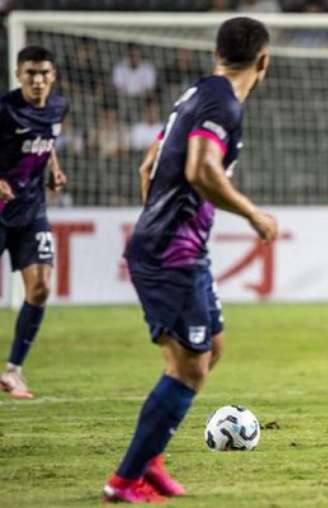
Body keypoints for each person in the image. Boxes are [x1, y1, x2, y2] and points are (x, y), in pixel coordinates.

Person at [102, 17, 278, 504]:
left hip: (178, 249)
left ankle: (150, 458)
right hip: (171, 252)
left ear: (216, 53)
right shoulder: (223, 104)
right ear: (263, 61)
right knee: (189, 369)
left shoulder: (196, 94)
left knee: (212, 348)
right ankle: (124, 480)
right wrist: (253, 215)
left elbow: (148, 165)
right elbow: (200, 168)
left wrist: (158, 223)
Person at [0, 46, 68, 400]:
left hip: (31, 212)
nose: (38, 79)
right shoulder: (5, 110)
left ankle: (13, 372)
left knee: (40, 287)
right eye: (31, 73)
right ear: (18, 75)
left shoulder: (59, 107)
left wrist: (53, 168)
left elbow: (47, 140)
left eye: (44, 73)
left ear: (52, 76)